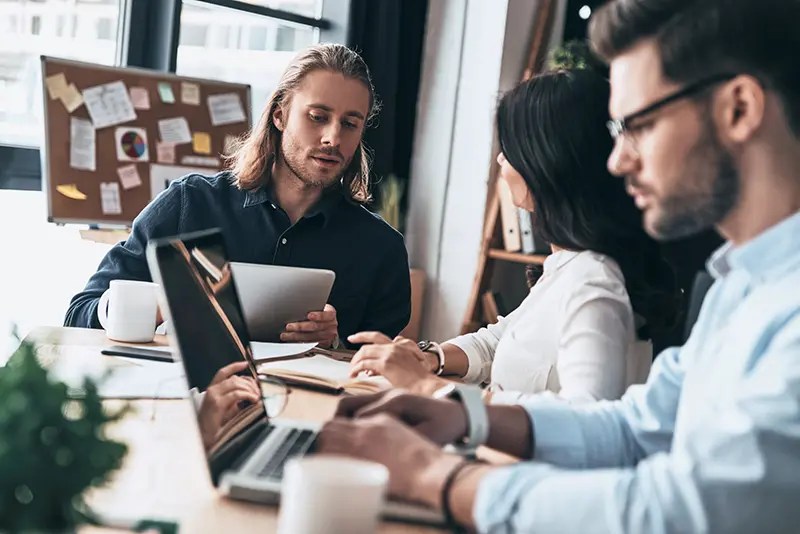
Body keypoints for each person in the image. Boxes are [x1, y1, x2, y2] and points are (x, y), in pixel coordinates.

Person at [317, 0, 800, 531]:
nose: (617, 160)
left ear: (738, 109)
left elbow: (680, 512)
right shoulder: (739, 287)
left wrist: (437, 476)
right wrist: (463, 413)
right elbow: (634, 427)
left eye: (638, 125)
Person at [347, 68, 680, 404]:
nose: (500, 159)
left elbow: (586, 416)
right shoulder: (569, 265)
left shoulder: (593, 281)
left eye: (510, 148)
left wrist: (426, 386)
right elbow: (498, 341)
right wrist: (430, 358)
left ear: (546, 162)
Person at [64, 44, 412, 348]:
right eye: (318, 117)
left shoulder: (382, 250)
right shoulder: (188, 205)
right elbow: (79, 314)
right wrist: (156, 304)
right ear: (279, 115)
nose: (332, 138)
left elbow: (382, 374)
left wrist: (334, 342)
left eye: (350, 124)